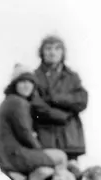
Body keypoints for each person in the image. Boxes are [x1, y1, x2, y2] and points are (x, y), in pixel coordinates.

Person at [0, 64, 68, 177]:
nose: (27, 85)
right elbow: (25, 132)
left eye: (30, 82)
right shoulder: (19, 103)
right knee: (61, 157)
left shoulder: (9, 101)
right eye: (22, 82)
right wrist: (39, 150)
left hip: (6, 154)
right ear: (15, 85)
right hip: (15, 156)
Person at [30, 34, 89, 162]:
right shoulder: (34, 77)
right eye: (48, 48)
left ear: (63, 53)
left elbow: (81, 100)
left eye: (57, 49)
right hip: (45, 138)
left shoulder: (72, 77)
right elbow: (36, 105)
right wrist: (62, 115)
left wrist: (54, 98)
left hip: (70, 139)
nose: (52, 53)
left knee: (71, 175)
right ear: (42, 52)